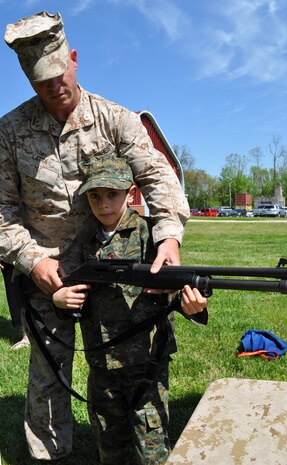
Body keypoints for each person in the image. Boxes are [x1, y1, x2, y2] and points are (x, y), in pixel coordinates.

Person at [0, 10, 190, 463]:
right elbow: (1, 212)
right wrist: (32, 260)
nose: (54, 88)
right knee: (48, 379)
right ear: (29, 80)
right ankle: (52, 456)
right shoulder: (9, 133)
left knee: (129, 364)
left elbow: (160, 177)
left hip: (116, 262)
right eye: (42, 82)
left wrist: (167, 239)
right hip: (49, 273)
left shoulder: (116, 120)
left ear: (75, 59)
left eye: (59, 74)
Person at [52, 153, 207, 465]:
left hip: (146, 365)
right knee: (110, 445)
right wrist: (61, 299)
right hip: (101, 366)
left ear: (129, 191)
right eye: (94, 196)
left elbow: (179, 290)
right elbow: (73, 294)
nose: (104, 204)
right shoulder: (83, 241)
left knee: (153, 448)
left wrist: (193, 306)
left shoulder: (153, 236)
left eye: (112, 194)